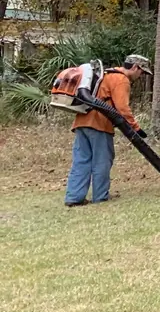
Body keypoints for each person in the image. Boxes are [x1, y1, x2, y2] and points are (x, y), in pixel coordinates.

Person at [64, 54, 151, 207]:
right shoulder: (121, 79)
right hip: (100, 125)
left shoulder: (105, 74)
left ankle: (74, 197)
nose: (141, 76)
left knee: (81, 161)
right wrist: (136, 128)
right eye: (142, 72)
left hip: (81, 122)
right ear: (135, 67)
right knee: (102, 161)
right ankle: (100, 196)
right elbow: (122, 108)